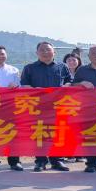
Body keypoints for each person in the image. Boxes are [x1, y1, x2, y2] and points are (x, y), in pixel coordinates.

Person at [20, 42, 73, 172]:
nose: (45, 52)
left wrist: (65, 86)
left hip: (58, 105)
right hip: (38, 106)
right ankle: (40, 161)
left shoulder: (62, 66)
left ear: (54, 52)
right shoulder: (29, 68)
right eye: (42, 50)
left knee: (58, 133)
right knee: (40, 134)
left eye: (48, 50)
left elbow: (69, 81)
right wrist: (36, 91)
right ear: (37, 53)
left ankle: (57, 160)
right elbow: (25, 85)